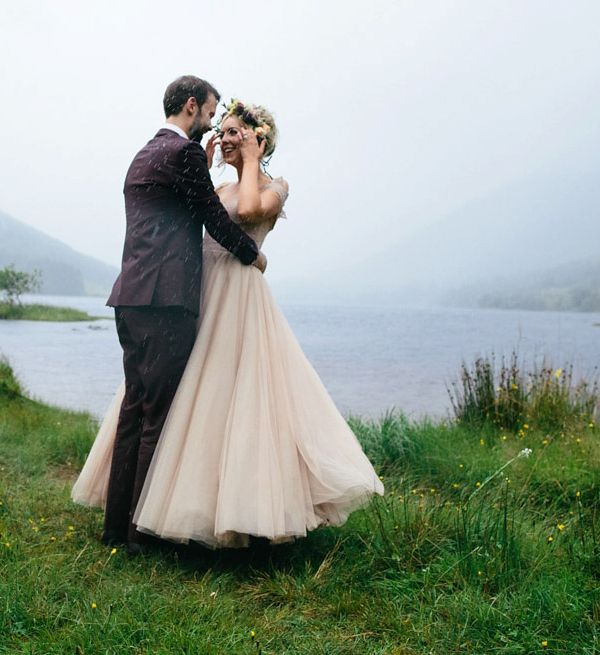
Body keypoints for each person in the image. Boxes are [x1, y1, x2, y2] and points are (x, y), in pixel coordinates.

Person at [74, 98, 383, 548]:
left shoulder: (277, 186)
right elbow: (203, 220)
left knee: (233, 396)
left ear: (259, 139)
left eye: (236, 131)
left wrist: (253, 163)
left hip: (238, 299)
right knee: (185, 398)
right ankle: (158, 508)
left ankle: (236, 511)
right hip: (201, 292)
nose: (226, 137)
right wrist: (206, 163)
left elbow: (253, 211)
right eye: (225, 130)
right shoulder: (216, 190)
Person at [95, 76, 267, 551]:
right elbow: (213, 215)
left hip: (129, 297)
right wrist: (252, 256)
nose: (212, 125)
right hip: (166, 301)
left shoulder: (143, 154)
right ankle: (139, 535)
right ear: (192, 106)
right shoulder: (185, 154)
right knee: (158, 415)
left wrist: (202, 171)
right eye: (211, 114)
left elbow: (176, 211)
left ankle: (114, 528)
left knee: (134, 409)